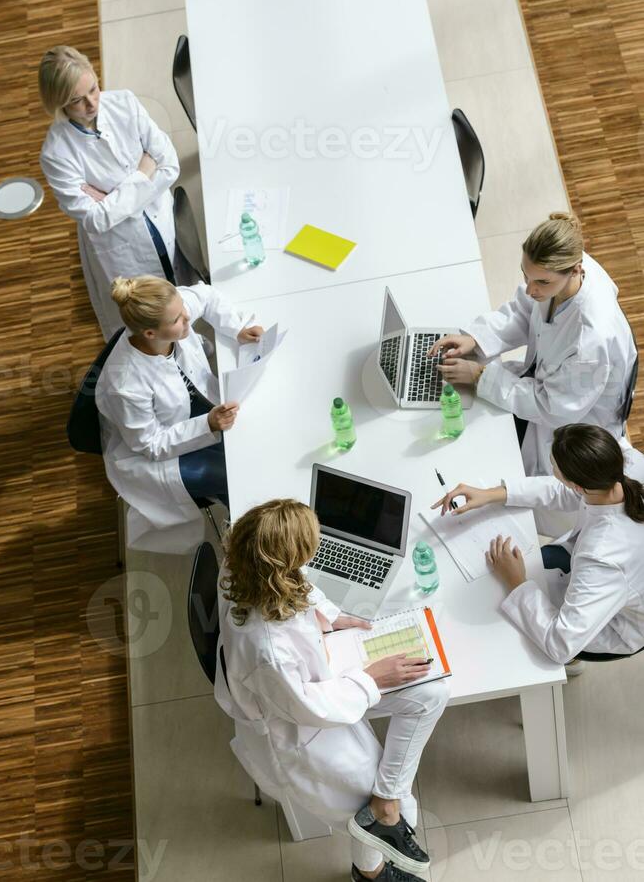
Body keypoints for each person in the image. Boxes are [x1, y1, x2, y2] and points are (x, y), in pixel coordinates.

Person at [216, 499, 450, 882]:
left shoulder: (246, 562)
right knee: (391, 806)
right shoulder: (267, 650)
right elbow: (310, 709)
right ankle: (371, 868)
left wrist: (331, 615)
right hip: (300, 732)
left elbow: (300, 582)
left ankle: (382, 805)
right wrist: (372, 680)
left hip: (320, 678)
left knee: (431, 694)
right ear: (280, 563)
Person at [430, 213, 637, 477]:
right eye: (526, 276)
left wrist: (480, 376)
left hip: (572, 419)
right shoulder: (561, 270)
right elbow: (525, 310)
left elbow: (551, 407)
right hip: (548, 385)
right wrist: (476, 338)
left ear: (575, 269)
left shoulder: (590, 339)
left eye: (541, 282)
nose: (530, 289)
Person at [432, 425, 644, 669]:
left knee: (501, 615)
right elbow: (562, 491)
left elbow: (560, 644)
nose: (550, 466)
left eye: (553, 464)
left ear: (576, 484)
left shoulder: (602, 557)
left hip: (616, 627)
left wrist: (516, 582)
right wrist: (492, 494)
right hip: (610, 579)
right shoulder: (621, 468)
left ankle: (575, 665)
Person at [39, 45, 195, 340]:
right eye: (76, 100)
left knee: (180, 297)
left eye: (94, 89)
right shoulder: (56, 154)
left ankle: (191, 343)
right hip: (123, 250)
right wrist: (142, 173)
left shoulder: (125, 103)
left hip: (161, 221)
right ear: (59, 103)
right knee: (146, 322)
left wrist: (113, 201)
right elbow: (96, 221)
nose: (91, 103)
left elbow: (170, 165)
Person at [95, 275, 263, 542]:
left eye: (183, 310)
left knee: (252, 448)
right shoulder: (125, 383)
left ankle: (253, 523)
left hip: (190, 411)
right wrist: (207, 424)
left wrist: (237, 328)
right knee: (236, 473)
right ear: (150, 333)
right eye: (178, 320)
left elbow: (206, 295)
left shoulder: (172, 310)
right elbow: (150, 445)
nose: (187, 318)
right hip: (154, 456)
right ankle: (253, 538)